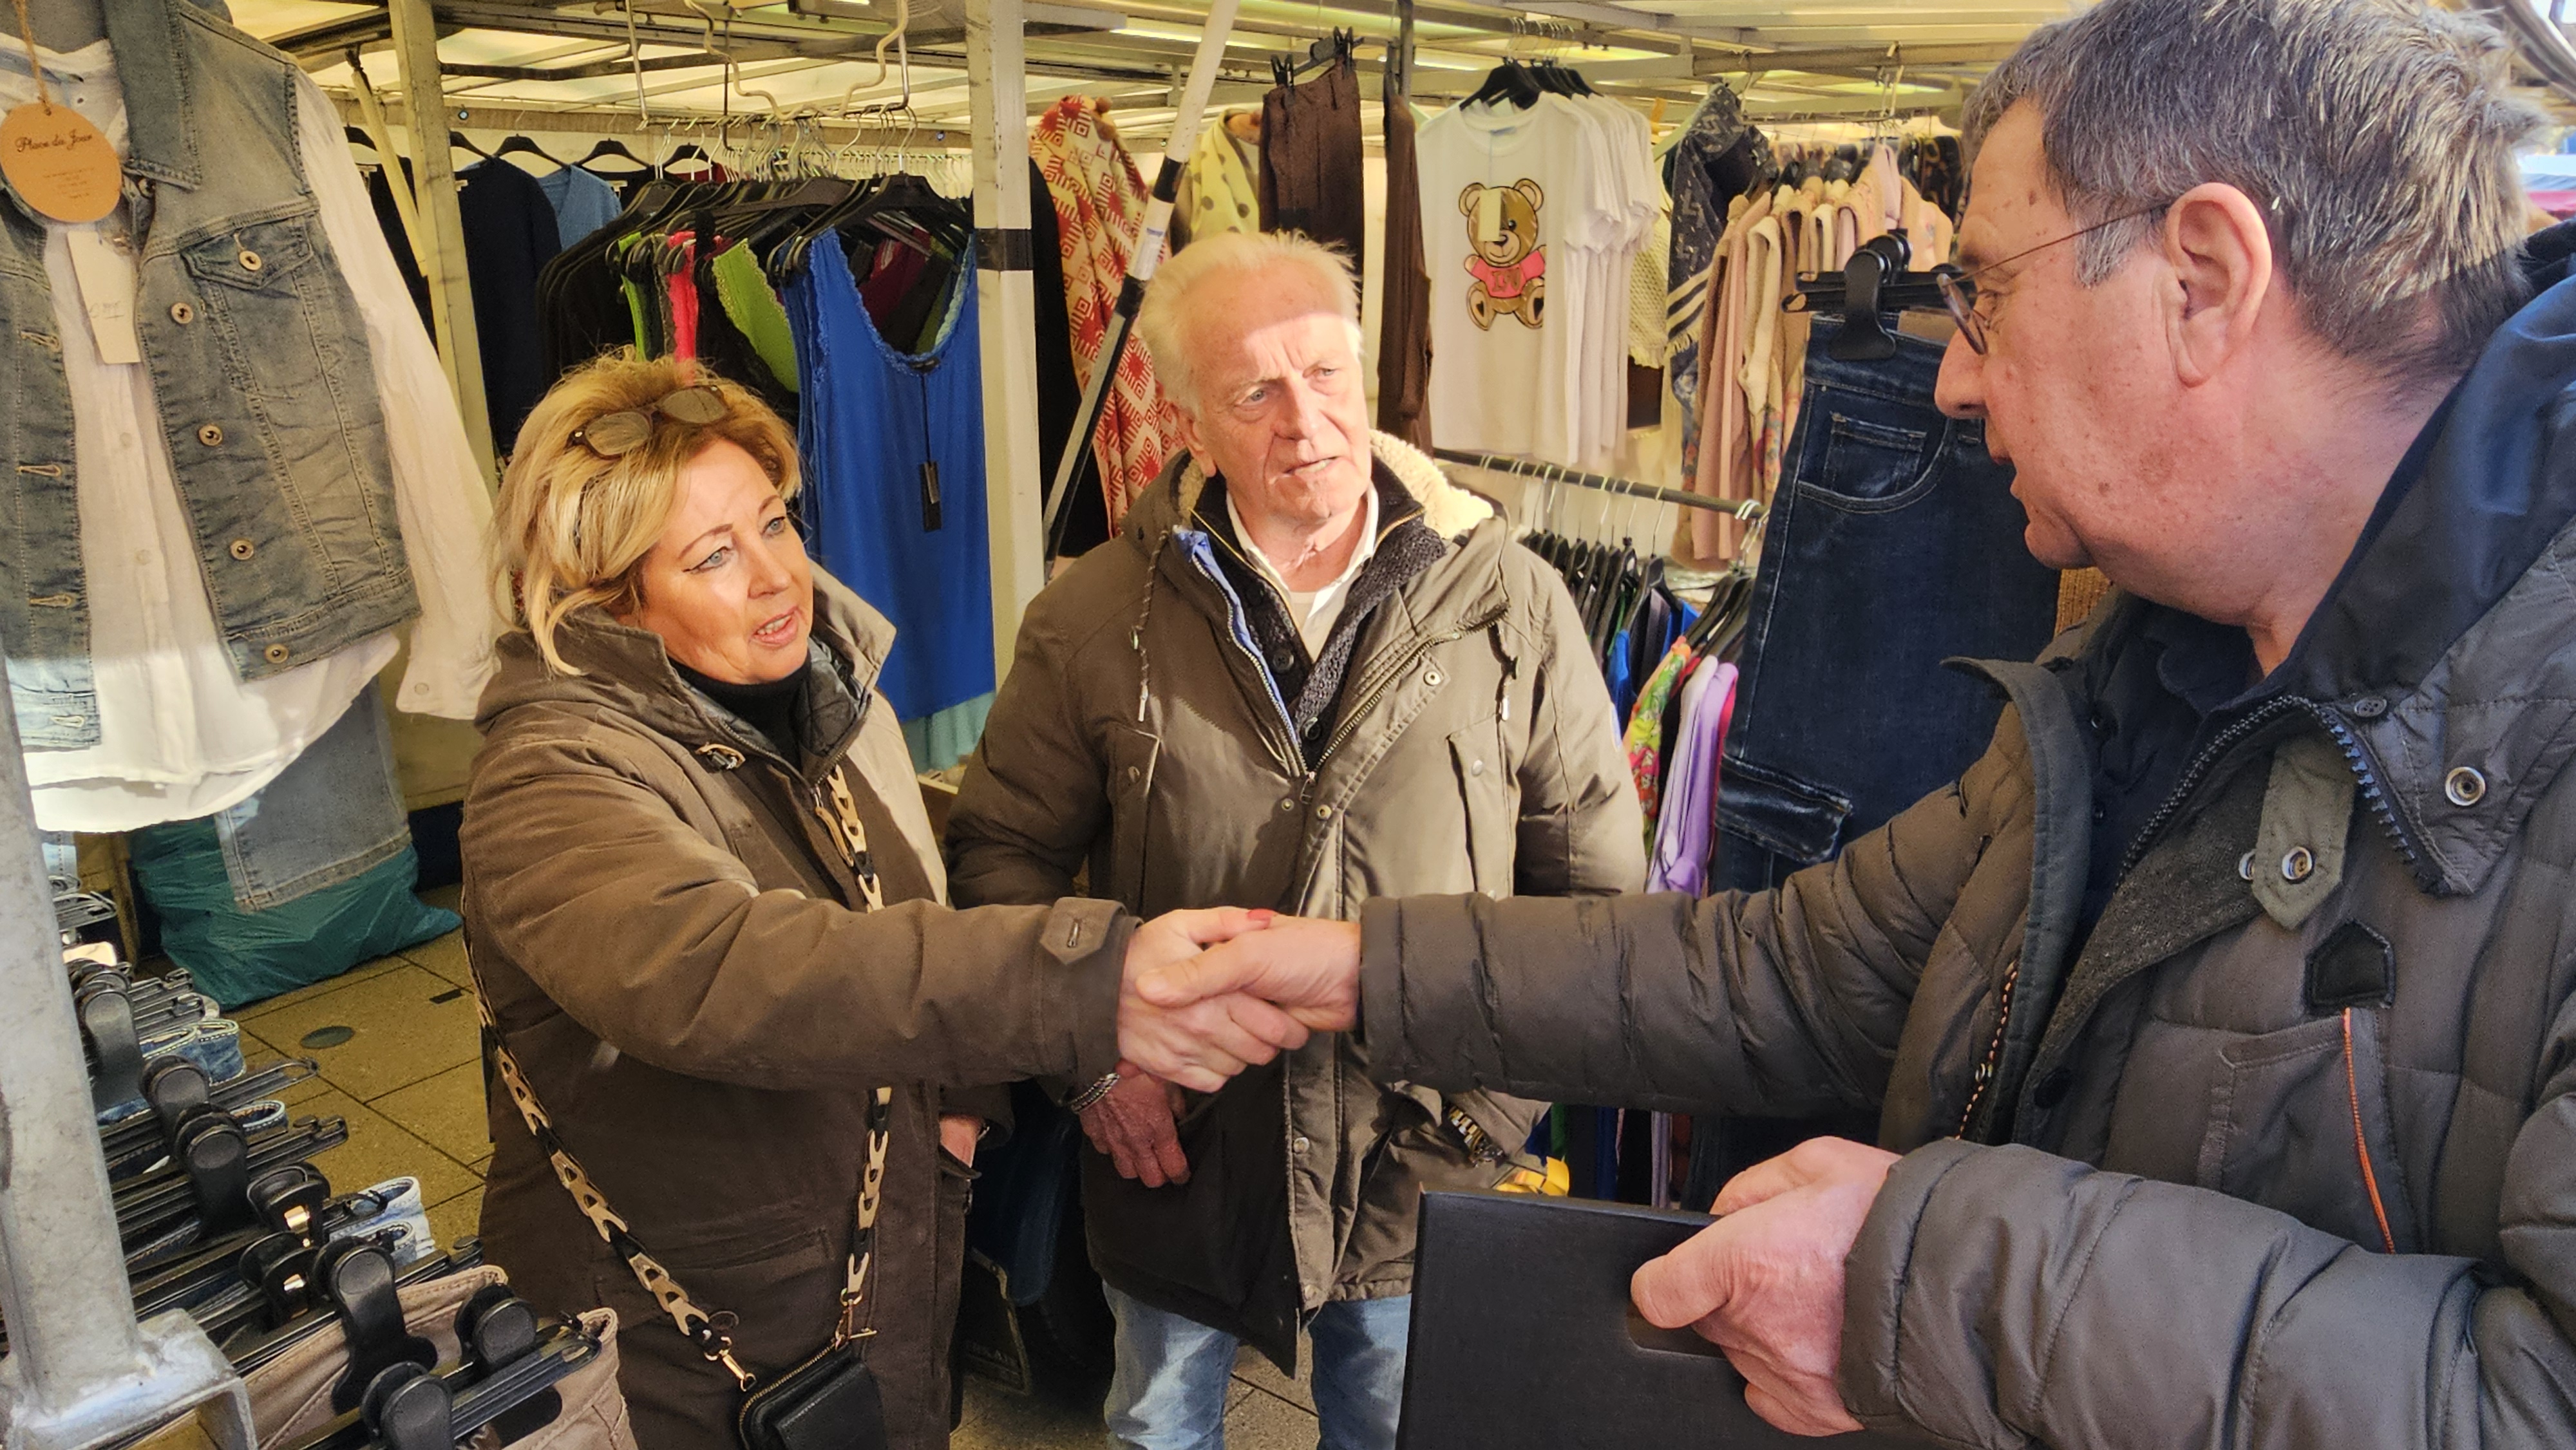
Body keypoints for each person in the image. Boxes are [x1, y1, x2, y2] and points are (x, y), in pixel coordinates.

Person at [1135, 0, 2576, 1442]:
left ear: (2200, 278)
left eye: (1987, 298)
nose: (1949, 375)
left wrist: (1917, 1282)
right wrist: (1351, 969)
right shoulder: (2145, 675)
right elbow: (1784, 971)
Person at [461, 354, 1311, 1450]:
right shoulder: (550, 775)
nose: (776, 578)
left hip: (873, 1285)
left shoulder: (815, 697)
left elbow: (909, 912)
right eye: (713, 555)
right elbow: (718, 969)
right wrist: (1091, 978)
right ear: (604, 594)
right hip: (673, 1340)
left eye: (774, 523)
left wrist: (961, 1119)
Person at [945, 230, 1645, 1450]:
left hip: (1417, 1159)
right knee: (1160, 1428)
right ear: (1189, 414)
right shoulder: (1097, 615)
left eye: (1325, 372)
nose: (1304, 420)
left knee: (1393, 1430)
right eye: (1254, 389)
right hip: (1176, 1159)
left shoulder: (1511, 600)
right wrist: (1097, 1069)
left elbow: (1592, 893)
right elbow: (999, 855)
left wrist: (1492, 1104)